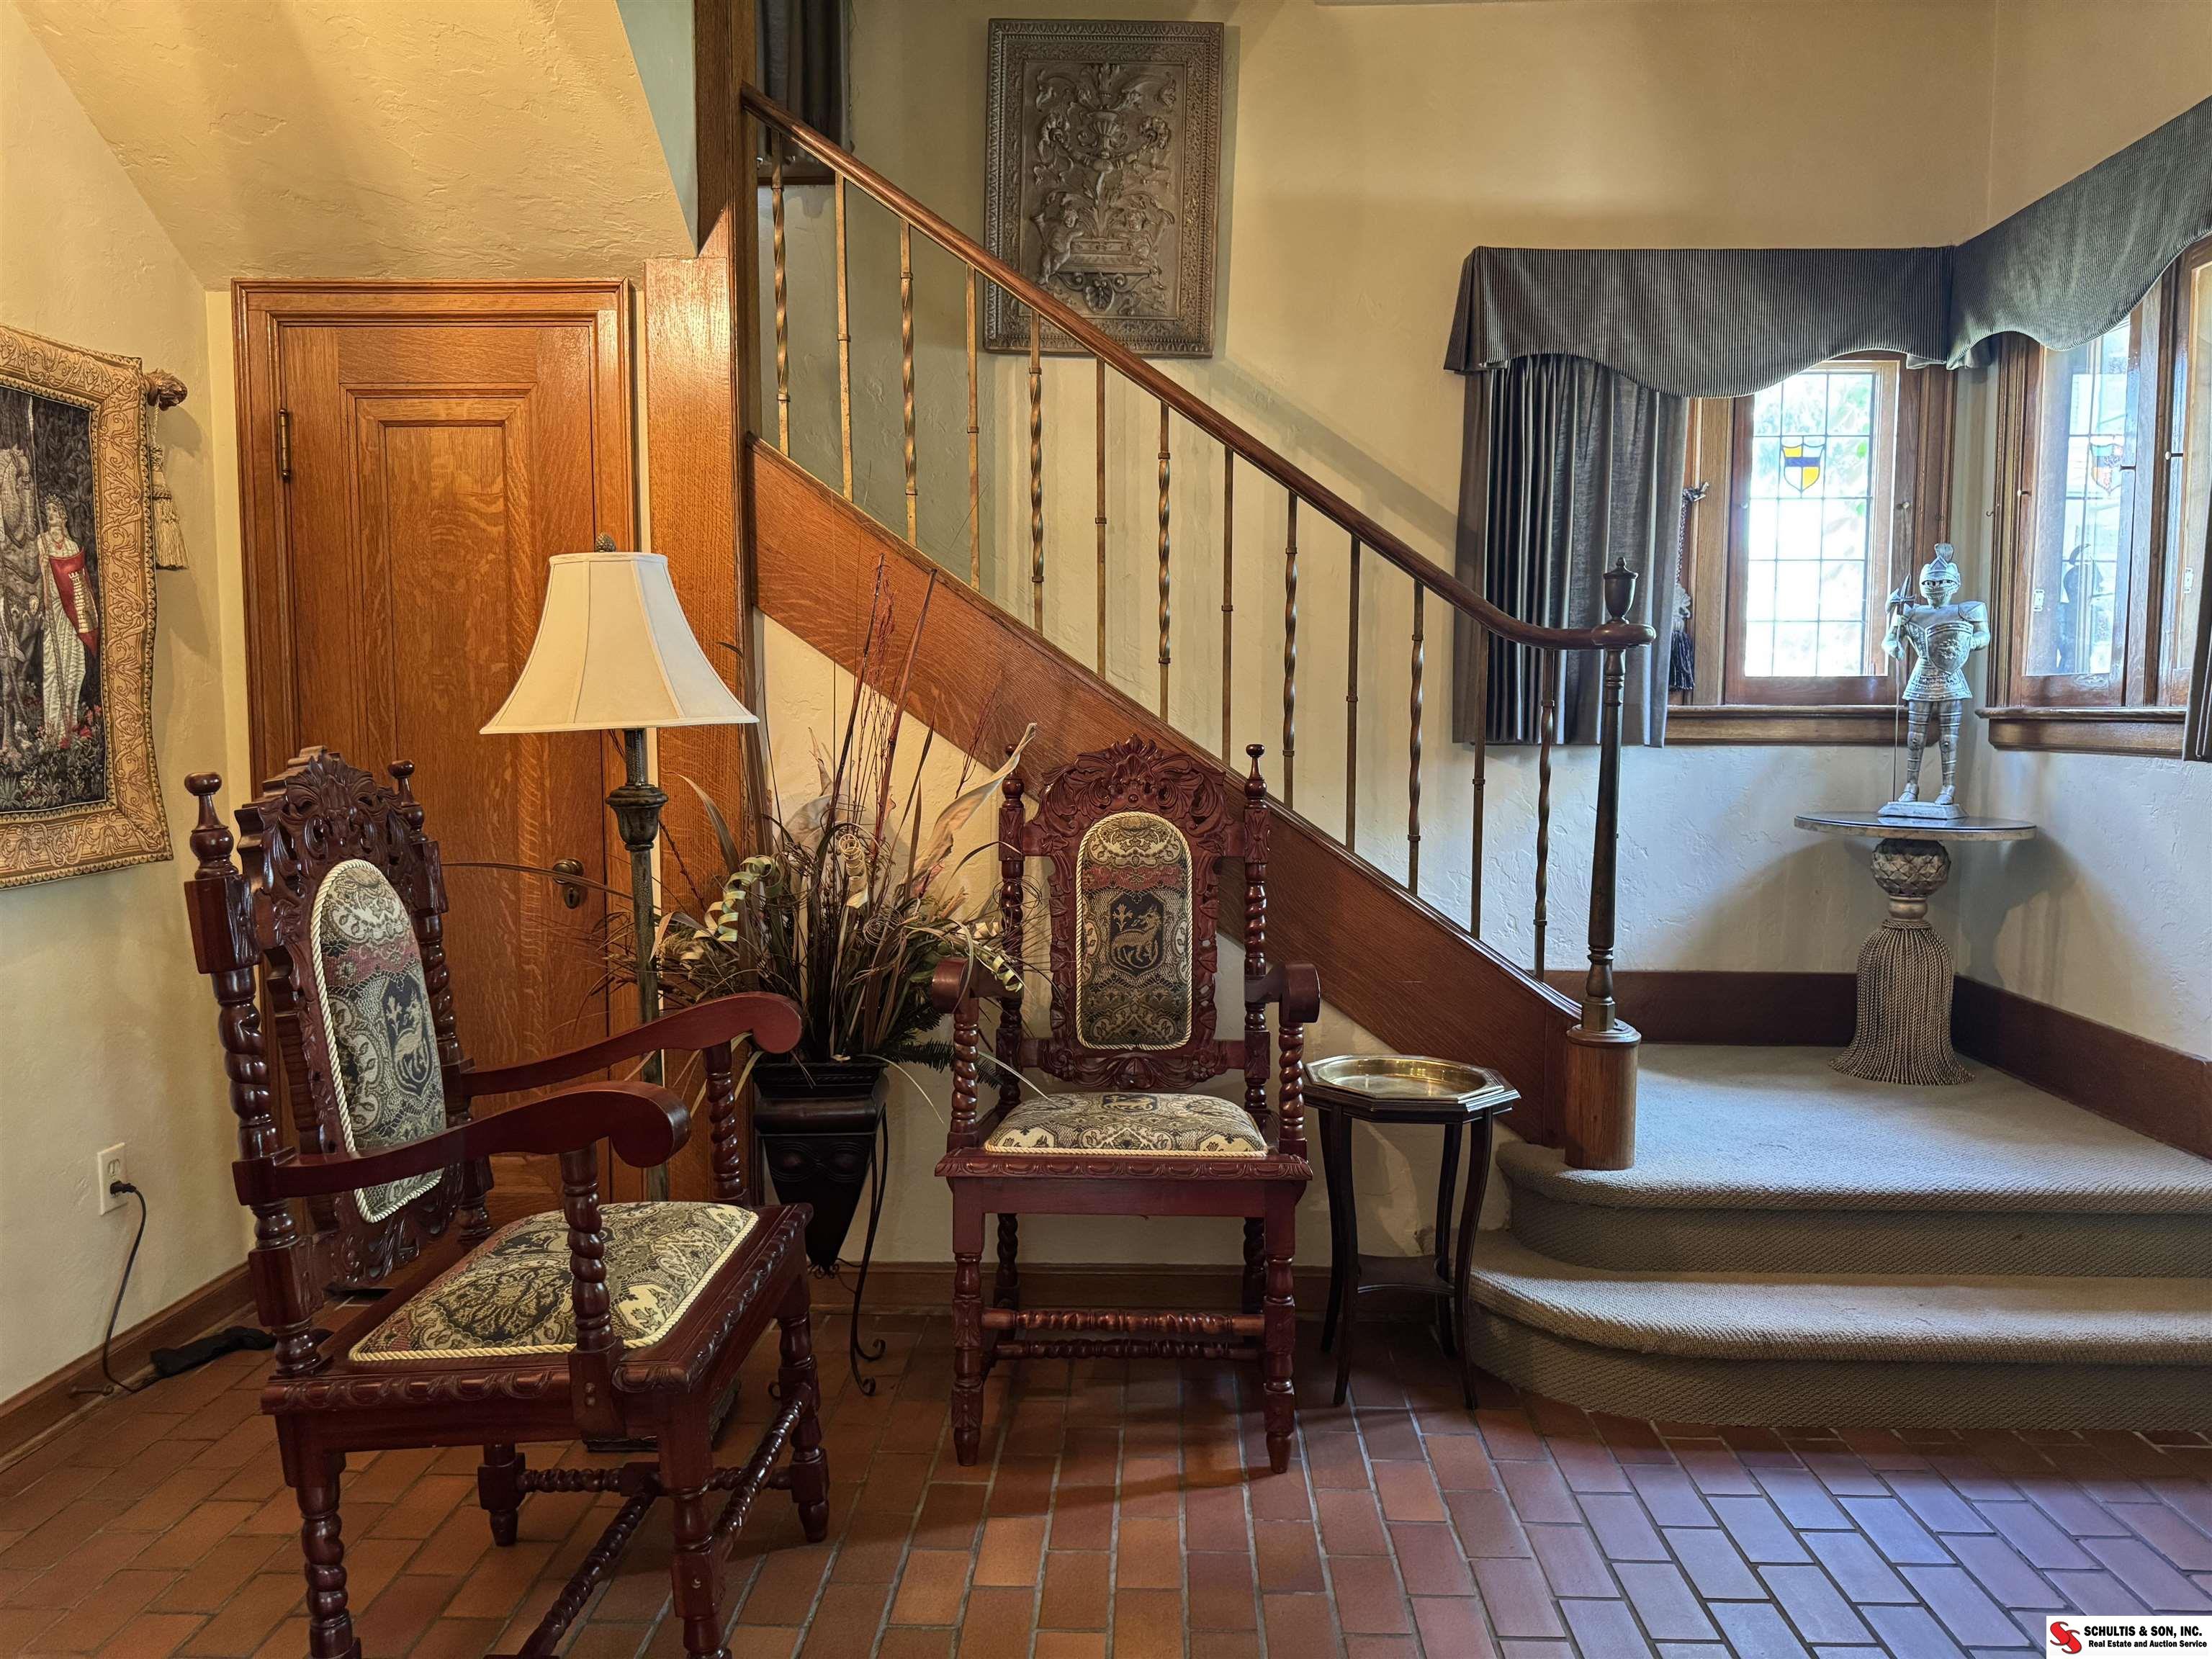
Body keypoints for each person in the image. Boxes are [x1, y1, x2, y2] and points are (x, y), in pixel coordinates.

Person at [35, 495, 96, 751]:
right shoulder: (43, 542)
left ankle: (69, 726)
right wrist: (44, 580)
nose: (50, 513)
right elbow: (41, 579)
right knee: (54, 669)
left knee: (74, 669)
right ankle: (53, 730)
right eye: (47, 509)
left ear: (63, 516)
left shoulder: (72, 547)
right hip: (54, 611)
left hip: (71, 614)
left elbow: (80, 587)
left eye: (54, 509)